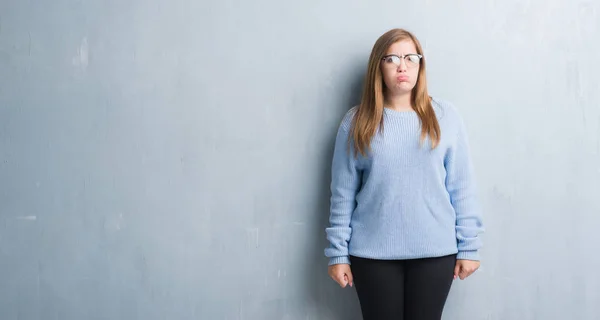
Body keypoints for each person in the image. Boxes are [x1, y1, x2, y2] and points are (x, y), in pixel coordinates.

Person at [324, 28, 485, 320]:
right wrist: (338, 253)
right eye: (392, 58)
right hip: (372, 255)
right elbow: (342, 194)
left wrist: (469, 247)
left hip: (435, 252)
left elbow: (462, 187)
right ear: (379, 66)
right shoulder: (356, 122)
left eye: (411, 58)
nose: (403, 65)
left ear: (420, 65)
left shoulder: (445, 117)